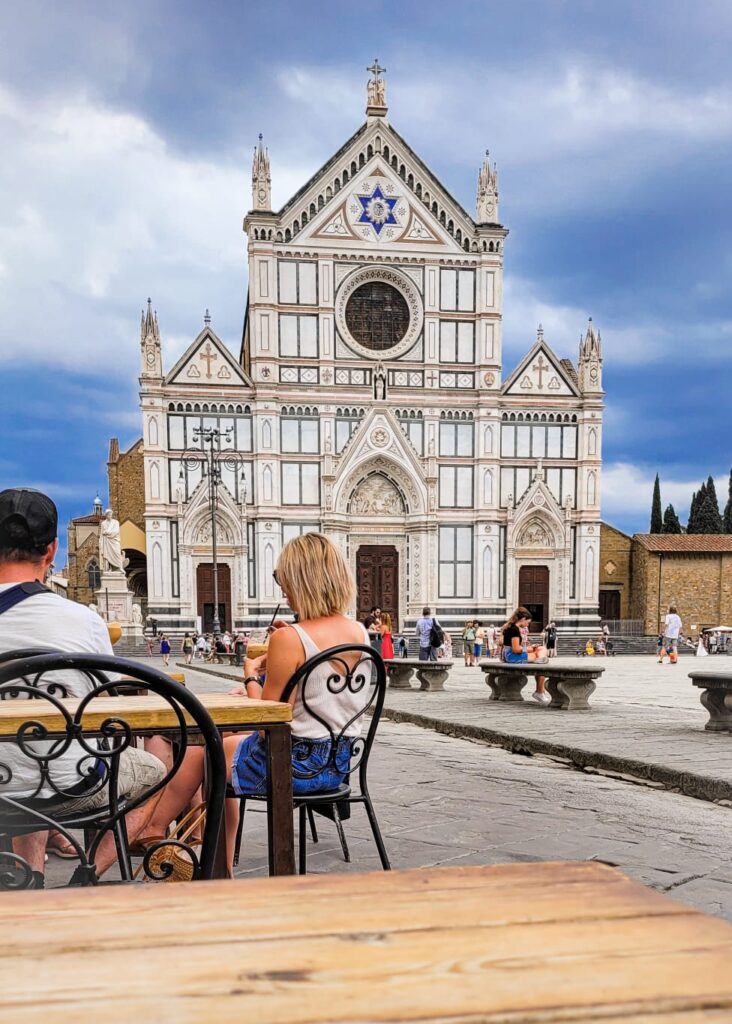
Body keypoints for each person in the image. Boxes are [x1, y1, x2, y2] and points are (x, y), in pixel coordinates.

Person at [156, 533, 375, 873]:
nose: (282, 588)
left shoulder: (289, 638)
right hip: (337, 767)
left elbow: (265, 724)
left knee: (207, 751)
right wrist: (293, 640)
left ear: (301, 579)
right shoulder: (360, 632)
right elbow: (317, 693)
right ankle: (169, 838)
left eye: (282, 578)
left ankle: (170, 840)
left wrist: (250, 676)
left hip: (293, 769)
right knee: (221, 747)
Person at [0, 487, 166, 886]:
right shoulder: (84, 621)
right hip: (70, 783)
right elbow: (108, 708)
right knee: (156, 771)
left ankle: (31, 878)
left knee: (25, 750)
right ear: (52, 550)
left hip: (4, 782)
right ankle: (86, 877)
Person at [501, 607, 549, 703]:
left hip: (508, 655)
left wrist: (531, 648)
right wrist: (530, 649)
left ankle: (540, 691)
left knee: (541, 650)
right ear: (523, 619)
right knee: (541, 662)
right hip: (512, 656)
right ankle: (540, 691)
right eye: (528, 622)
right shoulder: (514, 630)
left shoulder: (510, 627)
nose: (528, 625)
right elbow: (516, 649)